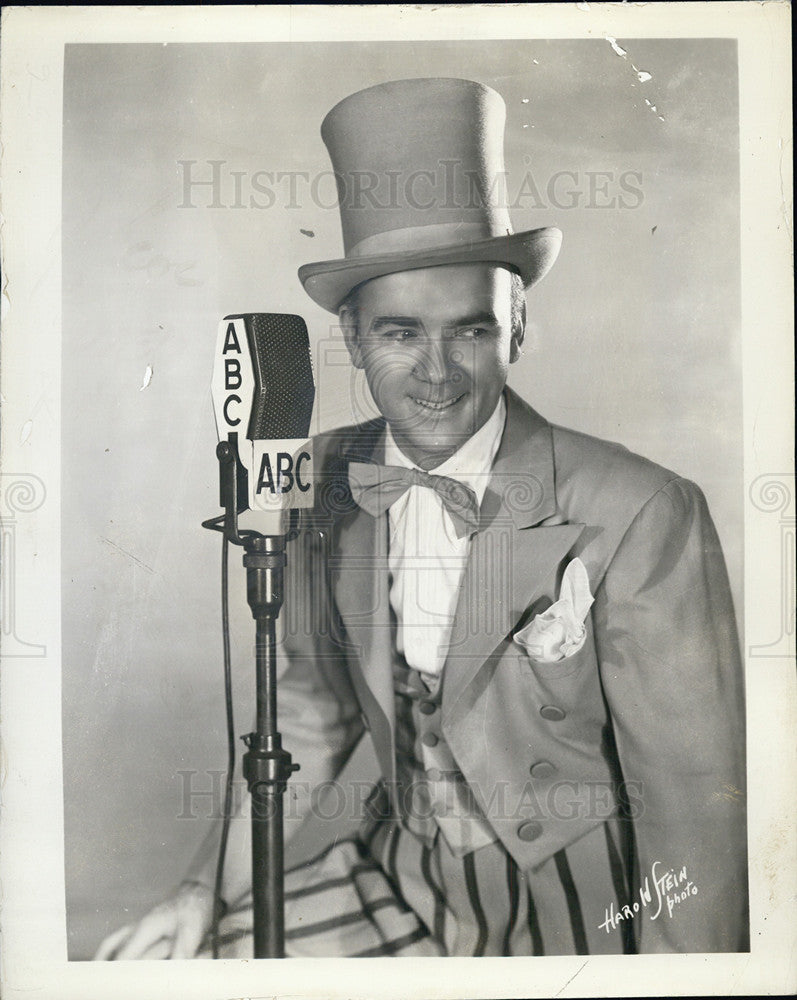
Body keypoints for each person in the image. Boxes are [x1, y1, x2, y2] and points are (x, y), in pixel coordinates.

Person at [96, 77, 747, 959]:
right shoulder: (324, 478)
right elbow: (310, 713)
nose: (437, 372)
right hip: (399, 880)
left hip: (585, 919)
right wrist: (199, 890)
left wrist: (682, 977)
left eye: (471, 331)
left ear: (517, 329)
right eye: (400, 333)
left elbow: (692, 800)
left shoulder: (642, 510)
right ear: (355, 341)